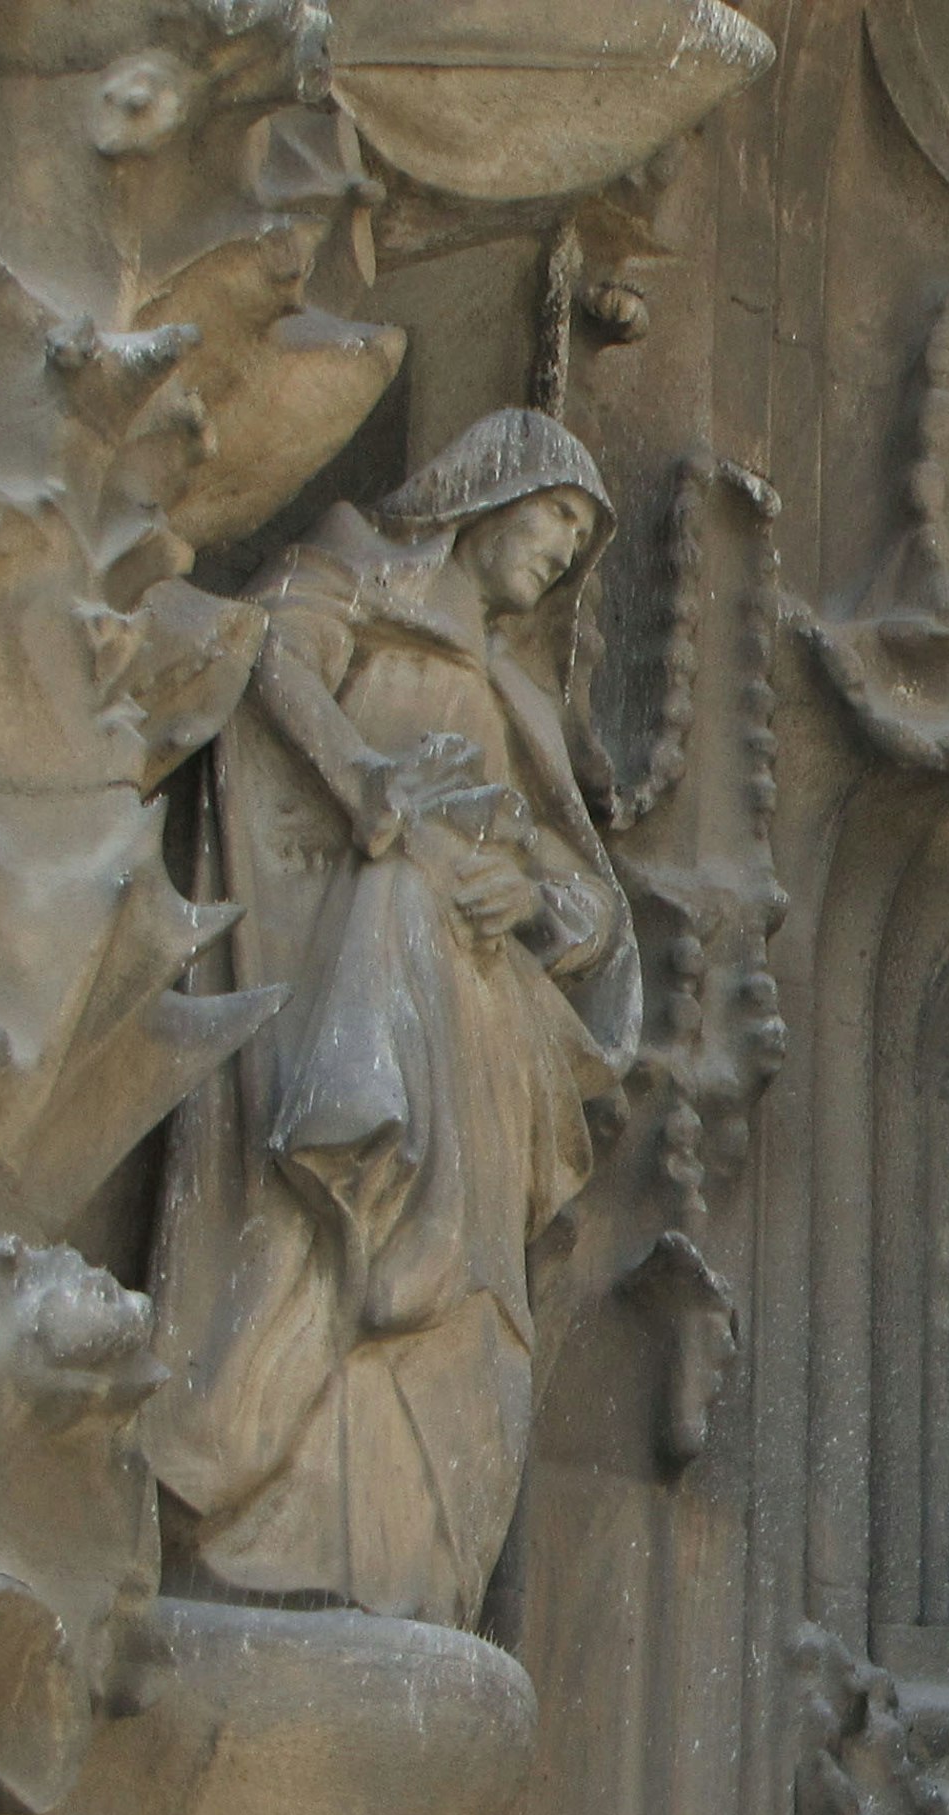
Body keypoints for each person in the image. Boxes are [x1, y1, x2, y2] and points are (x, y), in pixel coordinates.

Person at [147, 406, 639, 1629]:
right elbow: (260, 661)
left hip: (477, 1032)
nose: (558, 555)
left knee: (468, 1296)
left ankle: (416, 1578)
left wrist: (533, 894)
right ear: (488, 491)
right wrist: (368, 792)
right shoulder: (351, 576)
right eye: (553, 518)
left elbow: (586, 900)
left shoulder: (518, 700)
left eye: (577, 541)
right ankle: (247, 1511)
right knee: (330, 1215)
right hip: (338, 975)